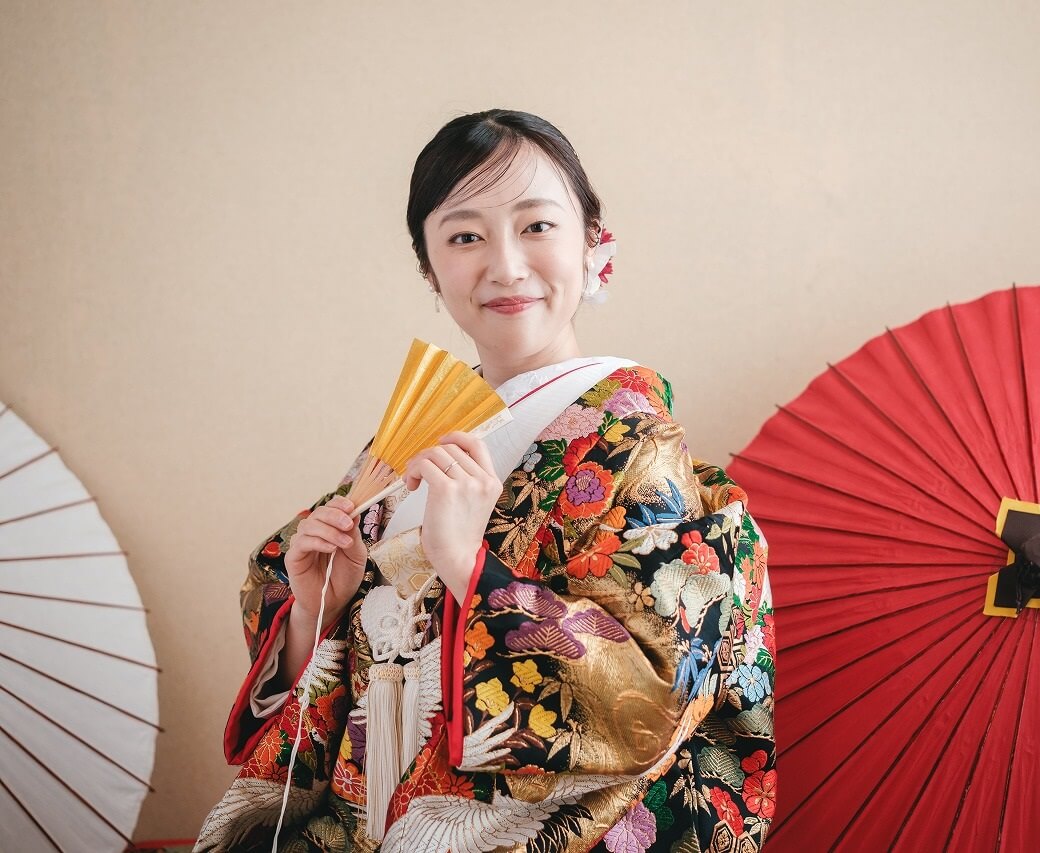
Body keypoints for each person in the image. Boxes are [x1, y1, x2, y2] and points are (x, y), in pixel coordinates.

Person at [196, 109, 776, 853]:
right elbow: (319, 634)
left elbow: (654, 697)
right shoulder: (407, 438)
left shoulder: (634, 446)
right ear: (430, 270)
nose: (505, 264)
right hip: (361, 812)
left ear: (597, 248)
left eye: (536, 226)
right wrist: (317, 609)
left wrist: (474, 568)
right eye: (465, 235)